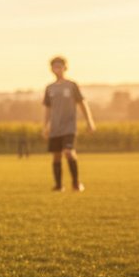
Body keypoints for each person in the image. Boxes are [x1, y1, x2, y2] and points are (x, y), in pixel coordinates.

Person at [43, 56, 95, 191]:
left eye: (60, 66)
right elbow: (48, 108)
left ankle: (76, 183)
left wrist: (89, 121)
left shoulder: (72, 86)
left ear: (65, 68)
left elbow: (82, 103)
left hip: (69, 127)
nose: (57, 69)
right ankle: (59, 185)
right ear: (51, 69)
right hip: (55, 128)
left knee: (68, 152)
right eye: (55, 67)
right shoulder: (50, 88)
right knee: (56, 155)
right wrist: (45, 126)